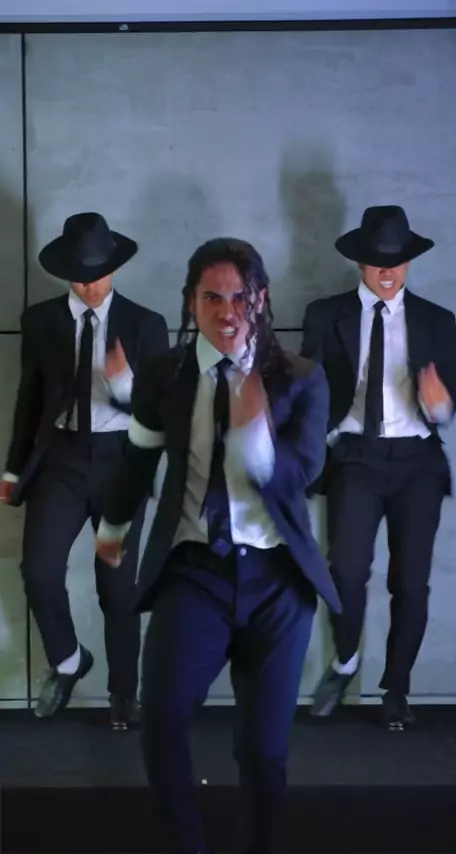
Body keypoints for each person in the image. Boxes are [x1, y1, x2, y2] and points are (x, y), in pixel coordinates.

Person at [95, 237, 340, 854]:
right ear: (190, 301)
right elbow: (138, 457)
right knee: (162, 718)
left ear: (260, 300)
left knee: (262, 750)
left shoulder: (302, 379)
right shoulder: (163, 375)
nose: (227, 311)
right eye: (212, 298)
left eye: (240, 297)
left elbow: (306, 474)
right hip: (194, 571)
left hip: (278, 582)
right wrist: (113, 529)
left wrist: (255, 439)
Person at [0, 212, 169, 729]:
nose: (90, 286)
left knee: (117, 588)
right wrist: (13, 470)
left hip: (122, 465)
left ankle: (124, 694)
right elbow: (29, 399)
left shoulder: (146, 325)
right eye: (79, 277)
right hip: (62, 460)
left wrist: (124, 386)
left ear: (113, 267)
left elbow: (162, 411)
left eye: (98, 274)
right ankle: (69, 660)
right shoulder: (41, 321)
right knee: (39, 571)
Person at [300, 205, 456, 731]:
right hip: (356, 457)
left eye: (397, 260)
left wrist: (438, 403)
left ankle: (396, 688)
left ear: (409, 262)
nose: (387, 270)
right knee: (346, 571)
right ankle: (345, 661)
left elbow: (448, 406)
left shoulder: (437, 320)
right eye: (376, 260)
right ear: (360, 262)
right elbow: (307, 391)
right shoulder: (325, 315)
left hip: (417, 463)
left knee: (410, 583)